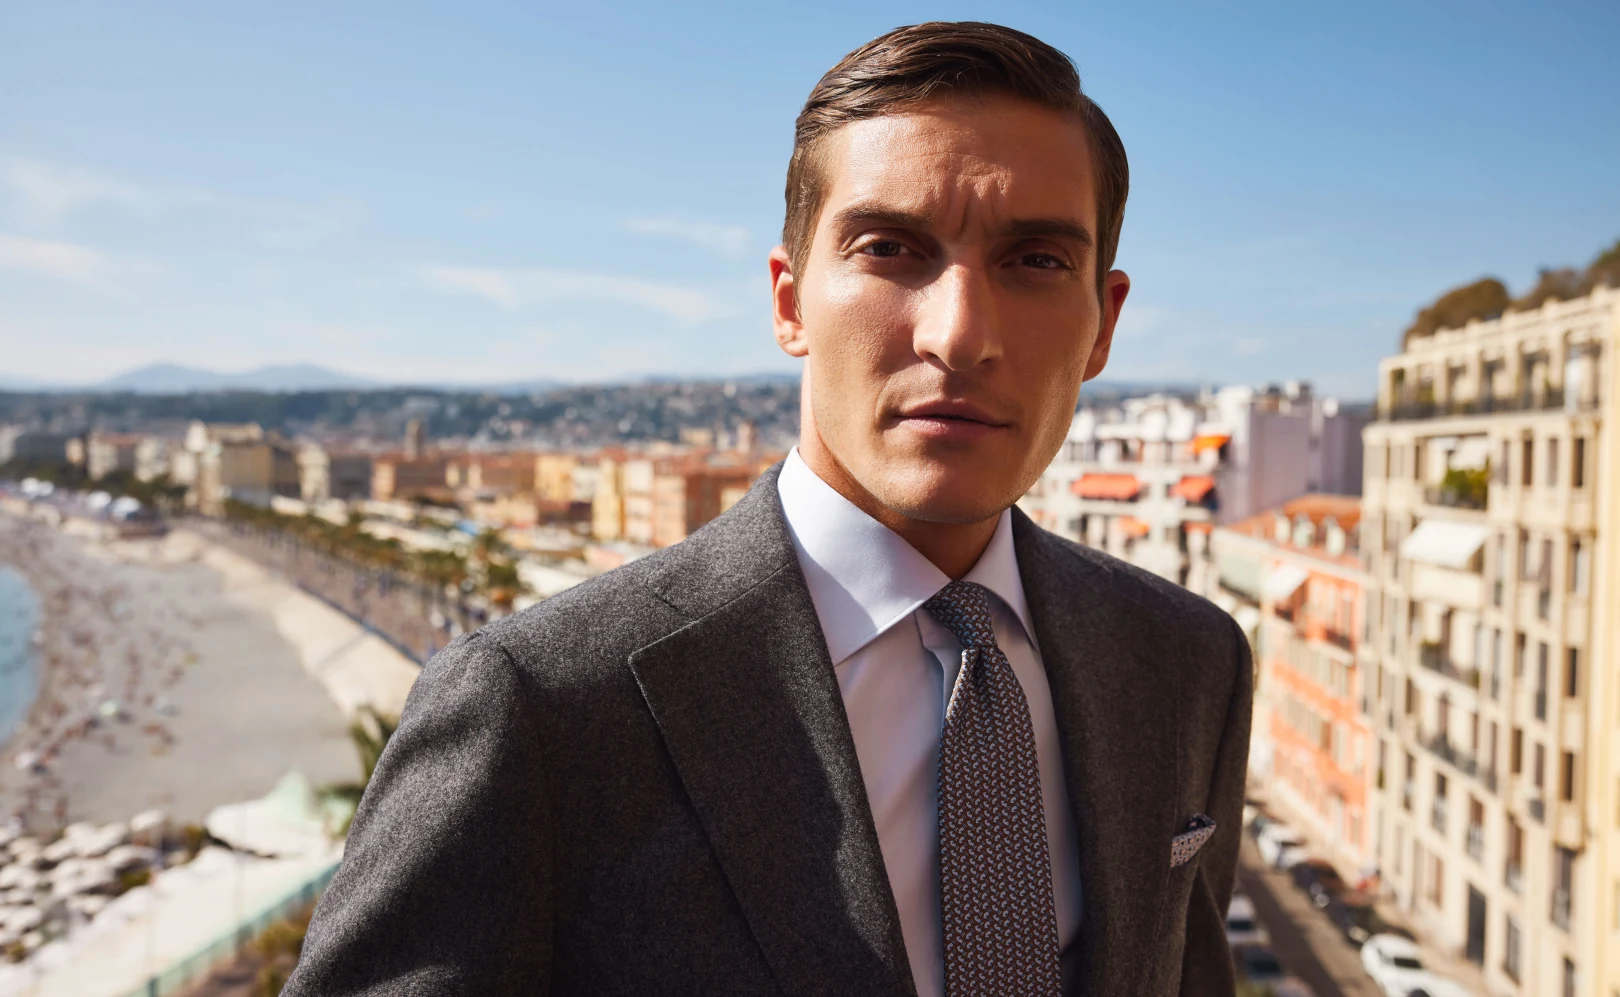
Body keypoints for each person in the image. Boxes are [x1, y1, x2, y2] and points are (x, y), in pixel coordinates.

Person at [285, 21, 1252, 997]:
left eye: (1037, 261)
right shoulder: (540, 709)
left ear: (1105, 325)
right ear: (789, 303)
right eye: (890, 249)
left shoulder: (1186, 659)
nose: (961, 334)